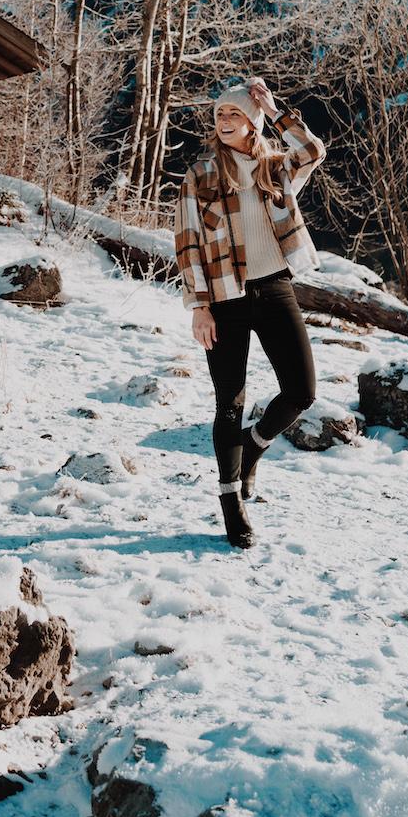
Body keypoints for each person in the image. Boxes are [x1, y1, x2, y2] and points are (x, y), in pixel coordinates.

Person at [173, 77, 327, 549]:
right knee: (229, 403)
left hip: (276, 288)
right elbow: (187, 244)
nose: (224, 120)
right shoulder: (200, 175)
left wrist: (276, 111)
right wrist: (199, 307)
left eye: (234, 113)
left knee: (301, 391)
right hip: (225, 300)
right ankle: (230, 503)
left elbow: (313, 150)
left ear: (252, 122)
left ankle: (252, 448)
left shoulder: (275, 167)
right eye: (220, 114)